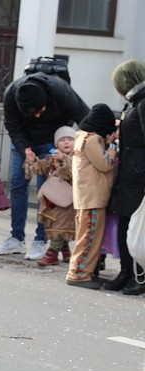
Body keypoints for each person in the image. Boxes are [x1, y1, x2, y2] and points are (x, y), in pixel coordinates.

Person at [0, 64, 89, 258]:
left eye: (40, 110)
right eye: (31, 113)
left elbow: (85, 117)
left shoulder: (60, 90)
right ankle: (16, 238)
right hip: (25, 141)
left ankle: (41, 240)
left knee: (48, 193)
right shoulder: (11, 94)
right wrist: (24, 149)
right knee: (18, 185)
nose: (37, 115)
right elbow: (13, 126)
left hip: (50, 141)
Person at [66, 104, 117, 288]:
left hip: (88, 198)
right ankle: (78, 274)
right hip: (92, 199)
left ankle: (85, 272)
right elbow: (106, 163)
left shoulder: (82, 137)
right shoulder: (91, 139)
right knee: (88, 239)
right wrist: (112, 145)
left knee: (90, 238)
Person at [108, 60, 145, 294]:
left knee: (134, 227)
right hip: (130, 174)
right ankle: (126, 272)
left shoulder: (142, 103)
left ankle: (137, 277)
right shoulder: (134, 101)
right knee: (125, 224)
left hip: (138, 175)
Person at [24, 127, 76, 267]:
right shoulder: (51, 158)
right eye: (62, 140)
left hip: (69, 201)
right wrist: (32, 160)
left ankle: (51, 254)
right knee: (55, 225)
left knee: (61, 226)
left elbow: (76, 171)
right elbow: (39, 167)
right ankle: (65, 250)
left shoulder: (78, 158)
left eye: (70, 139)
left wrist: (64, 158)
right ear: (56, 143)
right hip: (53, 200)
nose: (66, 142)